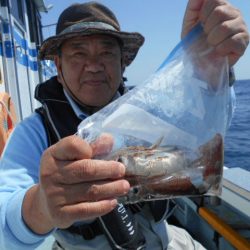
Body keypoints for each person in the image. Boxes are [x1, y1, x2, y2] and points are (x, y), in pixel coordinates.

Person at [0, 1, 249, 249]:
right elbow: (4, 215)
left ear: (123, 62)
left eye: (106, 52)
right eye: (78, 52)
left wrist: (206, 66)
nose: (94, 65)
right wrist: (40, 207)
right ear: (58, 66)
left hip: (166, 240)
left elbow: (206, 134)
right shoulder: (35, 131)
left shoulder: (154, 112)